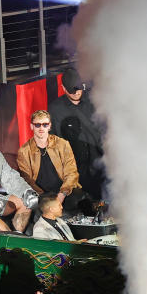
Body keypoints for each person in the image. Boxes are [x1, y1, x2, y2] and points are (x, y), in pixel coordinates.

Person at [47, 69, 105, 199]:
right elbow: (53, 141)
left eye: (79, 89)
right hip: (75, 166)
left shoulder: (93, 101)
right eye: (72, 91)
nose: (77, 93)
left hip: (99, 162)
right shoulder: (55, 109)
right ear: (63, 88)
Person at [17, 110, 85, 214]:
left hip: (64, 191)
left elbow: (71, 173)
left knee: (77, 200)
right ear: (31, 126)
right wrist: (42, 198)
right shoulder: (24, 150)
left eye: (45, 124)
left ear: (49, 126)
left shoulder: (62, 144)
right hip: (40, 193)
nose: (41, 128)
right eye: (37, 125)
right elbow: (26, 179)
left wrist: (62, 194)